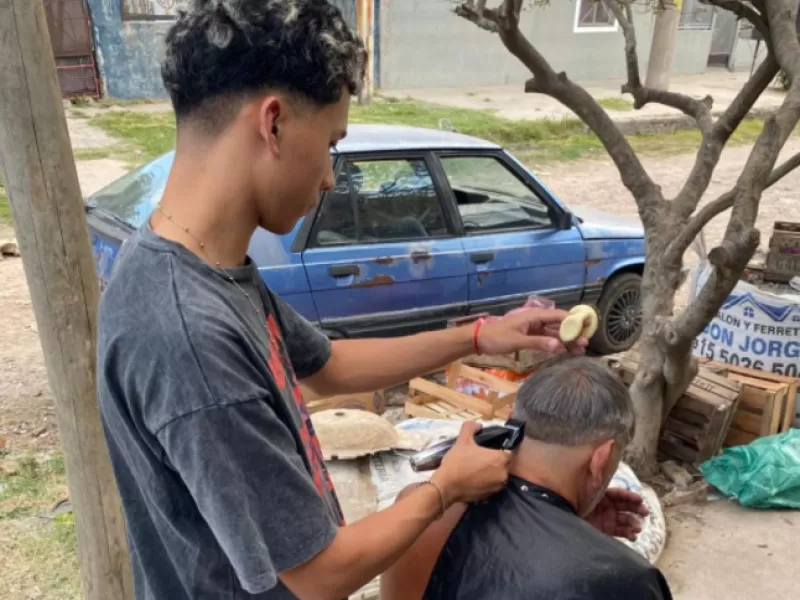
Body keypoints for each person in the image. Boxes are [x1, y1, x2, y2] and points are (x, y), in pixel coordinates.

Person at [95, 2, 640, 599]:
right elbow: (318, 576)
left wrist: (481, 335)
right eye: (331, 141)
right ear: (272, 123)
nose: (329, 176)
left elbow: (328, 365)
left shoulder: (208, 268)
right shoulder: (187, 335)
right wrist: (443, 490)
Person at [382, 357, 672, 600]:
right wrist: (577, 536)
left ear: (513, 421)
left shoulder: (418, 508)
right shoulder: (624, 580)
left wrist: (574, 526)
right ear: (602, 459)